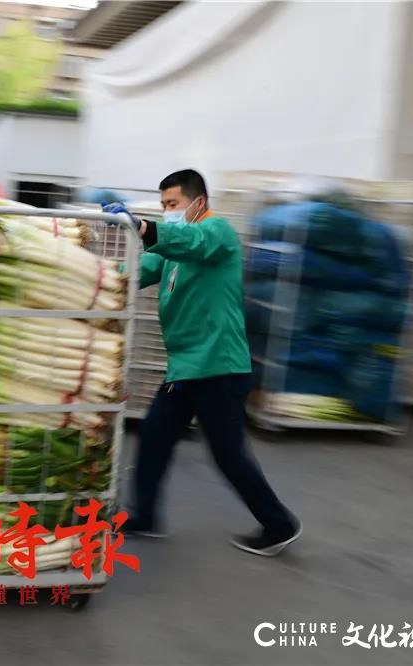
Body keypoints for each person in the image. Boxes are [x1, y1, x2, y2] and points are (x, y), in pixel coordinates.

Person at [104, 169, 301, 557]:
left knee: (228, 454)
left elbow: (187, 239)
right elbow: (139, 271)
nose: (168, 212)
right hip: (185, 369)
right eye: (162, 206)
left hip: (219, 368)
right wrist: (98, 280)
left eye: (173, 205)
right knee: (155, 436)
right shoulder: (172, 251)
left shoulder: (217, 234)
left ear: (199, 203)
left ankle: (279, 524)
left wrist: (143, 225)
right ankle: (144, 517)